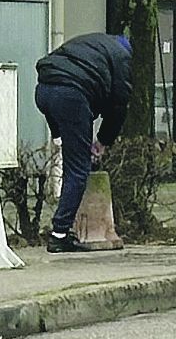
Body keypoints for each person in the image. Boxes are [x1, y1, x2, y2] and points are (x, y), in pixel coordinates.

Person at [34, 33, 132, 253]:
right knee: (78, 171)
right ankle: (59, 235)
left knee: (71, 153)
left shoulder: (91, 42)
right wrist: (103, 142)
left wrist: (58, 133)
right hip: (71, 95)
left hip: (43, 91)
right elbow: (119, 106)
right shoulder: (122, 56)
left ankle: (60, 139)